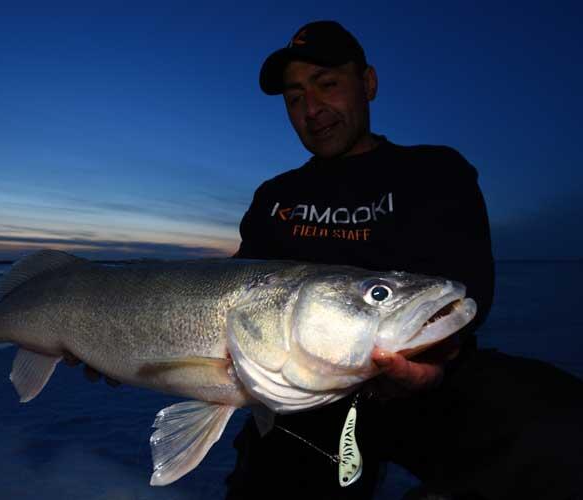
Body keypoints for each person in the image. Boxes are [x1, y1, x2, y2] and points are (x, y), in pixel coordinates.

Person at [224, 20, 583, 500]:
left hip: (430, 387)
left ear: (367, 83)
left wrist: (441, 354)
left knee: (561, 426)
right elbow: (236, 298)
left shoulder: (434, 172)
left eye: (327, 85)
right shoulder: (276, 196)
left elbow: (467, 286)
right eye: (294, 98)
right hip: (302, 398)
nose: (312, 110)